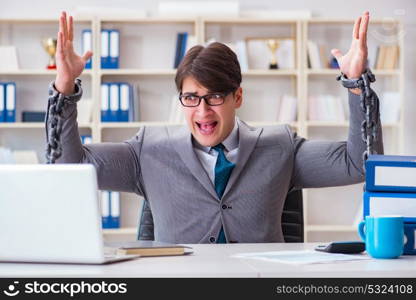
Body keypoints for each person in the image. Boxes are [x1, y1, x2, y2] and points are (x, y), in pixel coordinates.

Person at [47, 11, 383, 244]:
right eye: (191, 98)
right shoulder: (148, 150)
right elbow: (68, 166)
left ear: (238, 96)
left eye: (215, 97)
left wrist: (356, 85)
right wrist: (64, 89)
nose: (203, 111)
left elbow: (360, 164)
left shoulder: (281, 146)